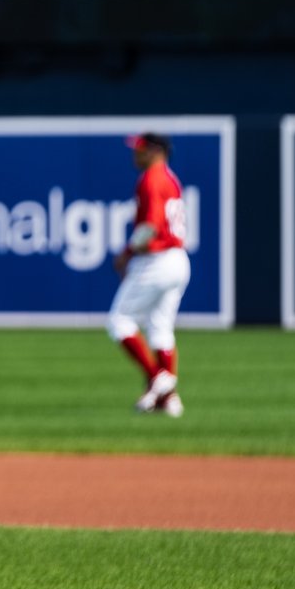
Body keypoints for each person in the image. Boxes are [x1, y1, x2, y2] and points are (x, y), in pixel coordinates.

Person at [107, 133, 190, 417]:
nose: (135, 154)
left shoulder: (152, 179)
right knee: (160, 327)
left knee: (119, 321)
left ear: (155, 151)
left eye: (140, 149)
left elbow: (150, 227)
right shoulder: (170, 178)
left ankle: (158, 378)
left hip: (156, 260)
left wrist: (126, 253)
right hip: (177, 260)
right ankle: (169, 400)